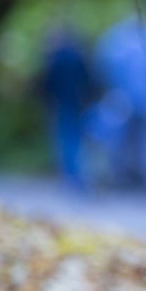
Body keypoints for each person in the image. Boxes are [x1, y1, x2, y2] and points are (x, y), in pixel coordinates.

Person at [92, 15, 146, 191]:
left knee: (121, 141)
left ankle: (122, 180)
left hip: (123, 99)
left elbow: (102, 68)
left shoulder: (115, 39)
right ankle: (145, 180)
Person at [38, 25, 97, 190]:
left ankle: (72, 177)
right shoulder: (79, 56)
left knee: (66, 140)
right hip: (80, 102)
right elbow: (89, 79)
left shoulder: (55, 59)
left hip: (62, 103)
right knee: (79, 140)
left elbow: (48, 83)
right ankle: (83, 176)